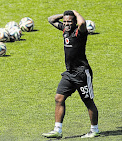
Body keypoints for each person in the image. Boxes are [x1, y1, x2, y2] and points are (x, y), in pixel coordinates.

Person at [42, 10, 100, 138]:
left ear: (74, 22)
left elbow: (83, 22)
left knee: (88, 101)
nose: (67, 24)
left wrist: (75, 12)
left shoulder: (80, 32)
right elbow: (51, 19)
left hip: (82, 73)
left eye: (70, 21)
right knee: (59, 98)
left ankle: (94, 130)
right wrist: (64, 15)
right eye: (65, 21)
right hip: (69, 73)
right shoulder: (65, 30)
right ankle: (57, 130)